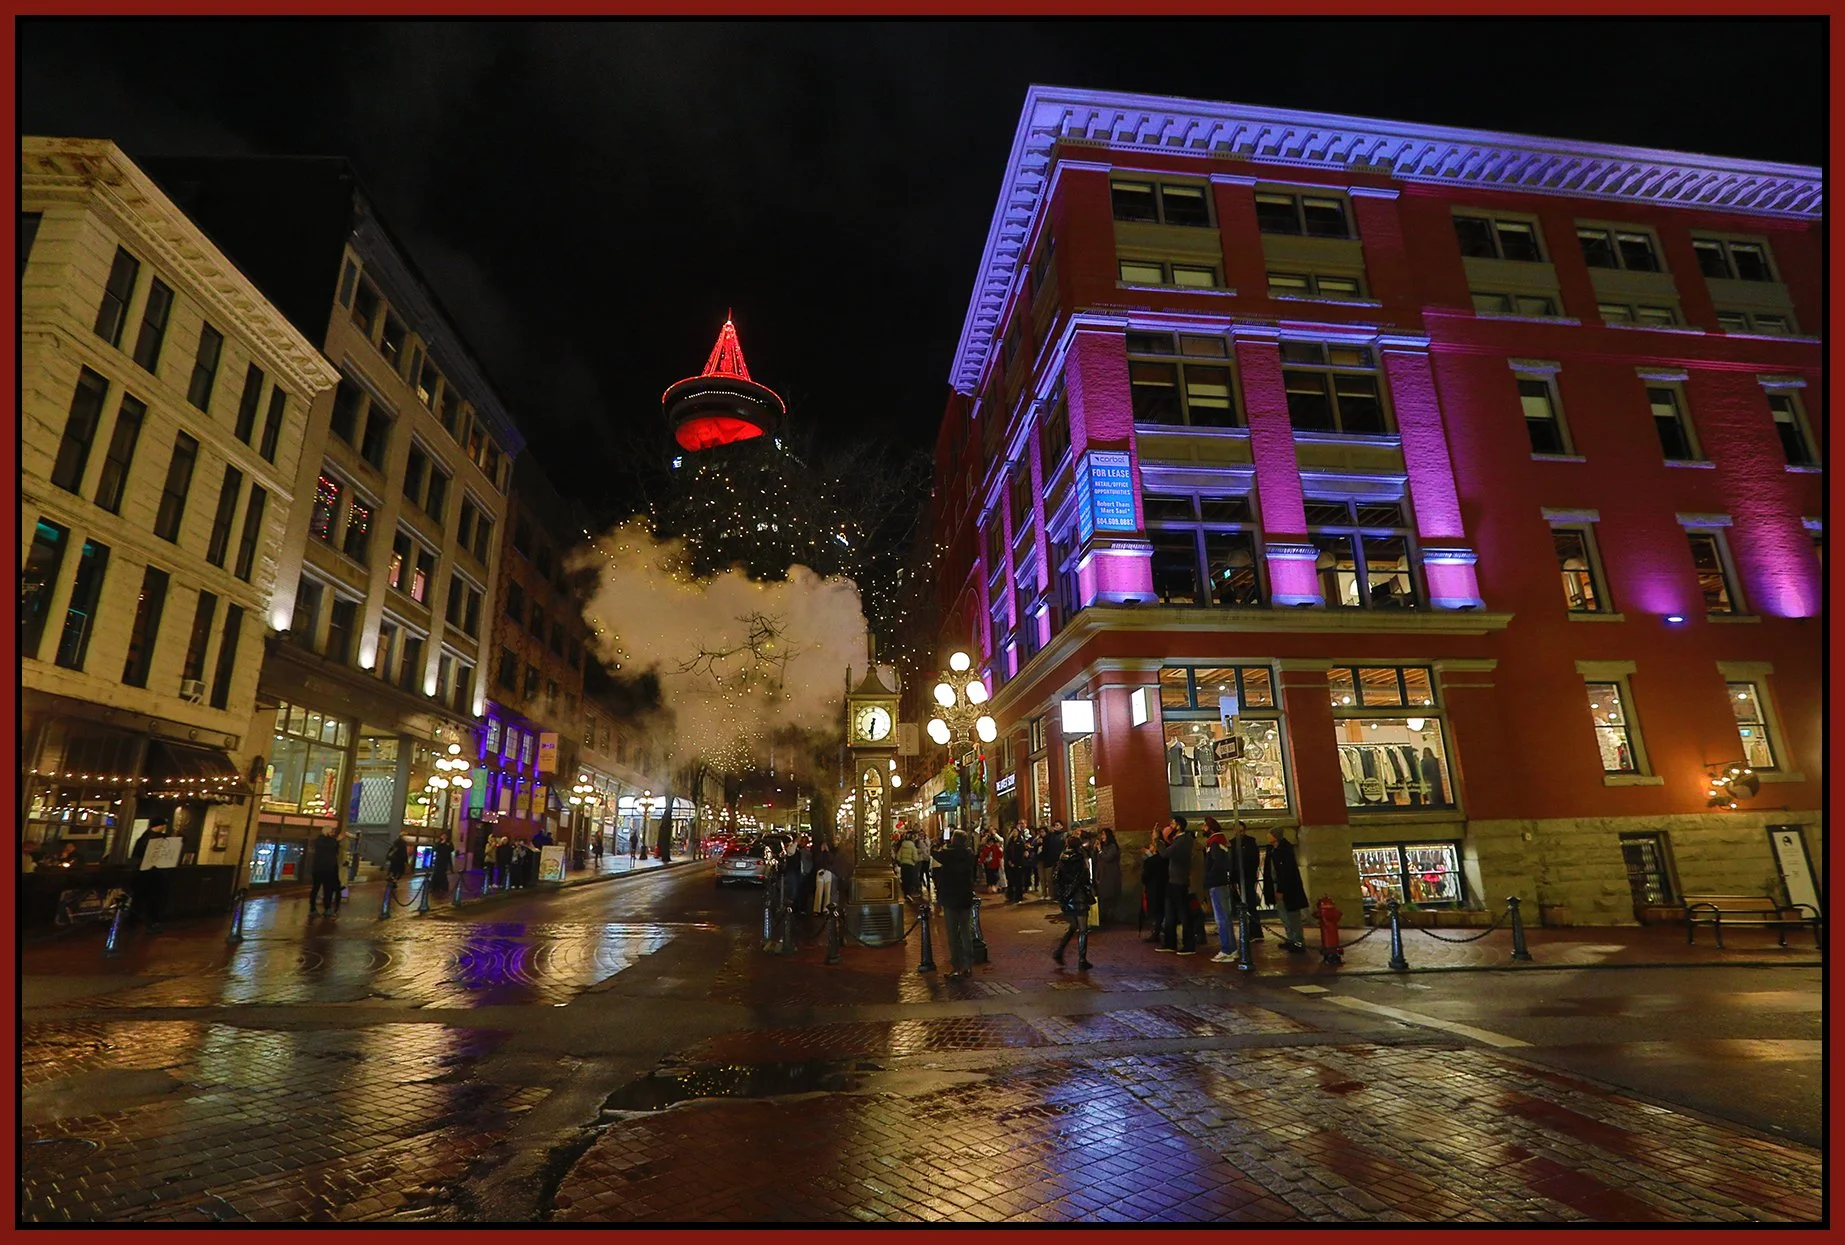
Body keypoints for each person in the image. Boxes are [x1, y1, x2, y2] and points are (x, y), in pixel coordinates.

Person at [932, 830, 980, 979]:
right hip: (965, 897)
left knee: (952, 933)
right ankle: (968, 965)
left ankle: (957, 966)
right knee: (966, 932)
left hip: (951, 898)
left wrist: (937, 845)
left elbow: (935, 854)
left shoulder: (947, 854)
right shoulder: (969, 854)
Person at [1050, 833, 1095, 970]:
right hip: (1079, 896)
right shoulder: (1080, 859)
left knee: (1073, 926)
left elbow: (1056, 878)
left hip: (1067, 897)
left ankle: (1059, 951)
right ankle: (1082, 959)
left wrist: (1062, 894)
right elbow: (1084, 877)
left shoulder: (1062, 859)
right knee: (1082, 929)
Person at [1262, 827, 1312, 951]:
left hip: (1288, 889)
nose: (1267, 836)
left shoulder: (1284, 850)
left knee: (1293, 916)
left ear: (1275, 836)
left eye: (1270, 834)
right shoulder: (1272, 850)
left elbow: (1287, 872)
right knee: (1284, 915)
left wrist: (1281, 889)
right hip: (1276, 885)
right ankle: (1290, 939)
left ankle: (1298, 941)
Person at [1155, 815, 1197, 954]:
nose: (1170, 826)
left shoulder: (1183, 841)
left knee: (1183, 913)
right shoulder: (1178, 840)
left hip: (1180, 882)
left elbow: (1165, 854)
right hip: (1173, 881)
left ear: (1179, 826)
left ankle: (1188, 944)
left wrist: (1157, 840)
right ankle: (1170, 942)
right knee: (1170, 912)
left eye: (1172, 823)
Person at [1201, 818, 1236, 962]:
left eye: (1204, 825)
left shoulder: (1214, 842)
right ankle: (1231, 949)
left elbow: (1216, 863)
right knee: (1225, 917)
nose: (1202, 828)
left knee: (1221, 918)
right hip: (1221, 882)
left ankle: (1227, 949)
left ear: (1210, 828)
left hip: (1217, 883)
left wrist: (1209, 878)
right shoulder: (1221, 841)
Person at [130, 819, 174, 931]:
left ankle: (133, 922)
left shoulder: (143, 838)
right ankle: (151, 923)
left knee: (140, 899)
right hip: (155, 874)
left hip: (143, 873)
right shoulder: (159, 839)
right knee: (153, 900)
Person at [1230, 821, 1265, 942]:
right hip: (1238, 878)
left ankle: (1256, 931)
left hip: (1248, 878)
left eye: (1241, 831)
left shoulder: (1250, 842)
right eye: (1237, 831)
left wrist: (1251, 875)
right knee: (1241, 906)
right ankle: (1247, 930)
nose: (1240, 833)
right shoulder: (1233, 844)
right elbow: (1232, 862)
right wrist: (1233, 879)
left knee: (1250, 904)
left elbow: (1254, 860)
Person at [1140, 826, 1168, 943]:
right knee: (1161, 910)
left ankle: (1157, 930)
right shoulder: (1164, 857)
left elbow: (1145, 876)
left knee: (1157, 911)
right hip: (1164, 886)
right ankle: (1159, 929)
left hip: (1155, 888)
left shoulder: (1152, 861)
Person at [309, 826, 343, 915]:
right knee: (326, 889)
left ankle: (314, 908)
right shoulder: (326, 841)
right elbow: (331, 849)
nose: (333, 834)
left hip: (319, 869)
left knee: (317, 888)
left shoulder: (319, 841)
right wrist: (337, 841)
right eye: (332, 832)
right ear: (327, 832)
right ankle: (325, 908)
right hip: (327, 869)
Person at [1092, 827, 1122, 926]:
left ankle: (1110, 918)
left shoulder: (1112, 847)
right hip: (1102, 874)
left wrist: (1100, 850)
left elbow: (1108, 858)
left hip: (1110, 875)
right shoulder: (1104, 846)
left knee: (1109, 896)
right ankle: (1104, 917)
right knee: (1102, 897)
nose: (1102, 837)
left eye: (1104, 835)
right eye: (1101, 835)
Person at [896, 830, 922, 901]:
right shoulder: (913, 847)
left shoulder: (902, 845)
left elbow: (898, 856)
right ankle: (908, 894)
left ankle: (905, 893)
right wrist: (914, 861)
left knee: (904, 879)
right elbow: (915, 858)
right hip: (910, 865)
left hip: (903, 864)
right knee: (910, 879)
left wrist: (901, 861)